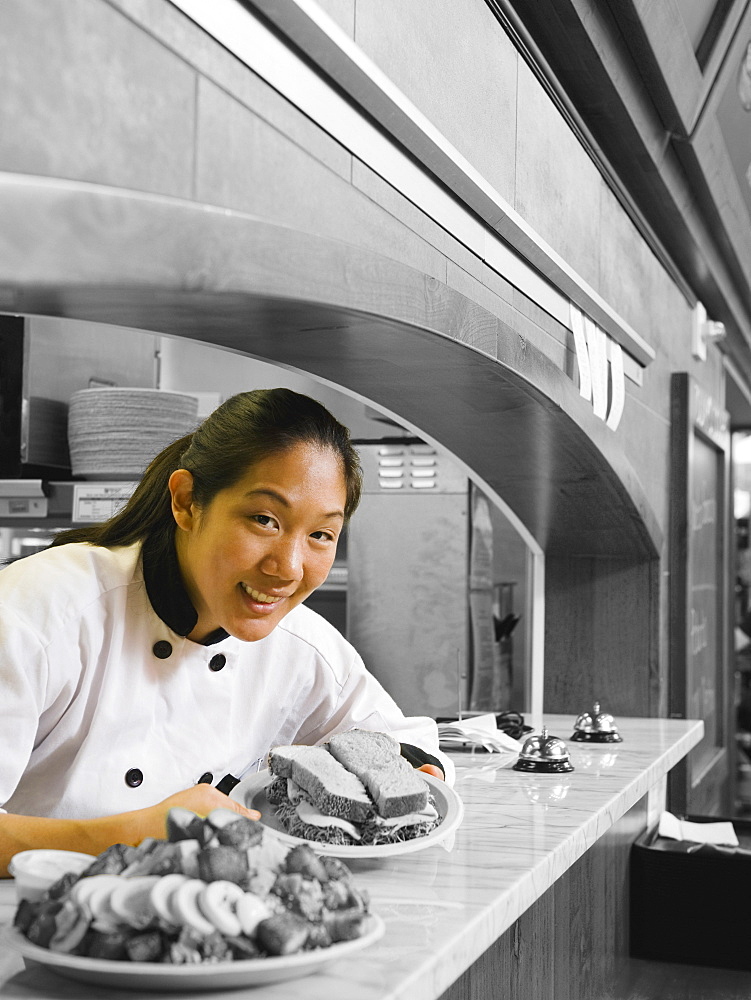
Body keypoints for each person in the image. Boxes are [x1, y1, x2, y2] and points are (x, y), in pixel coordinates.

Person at [0, 388, 450, 876]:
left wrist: (405, 782)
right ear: (187, 501)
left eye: (321, 534)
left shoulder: (301, 645)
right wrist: (132, 836)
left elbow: (395, 739)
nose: (288, 568)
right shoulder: (42, 610)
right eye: (264, 520)